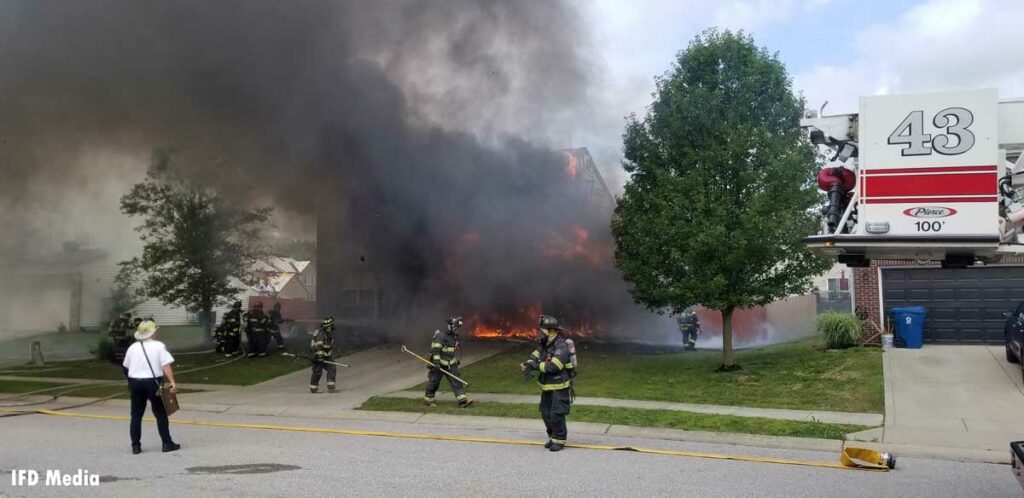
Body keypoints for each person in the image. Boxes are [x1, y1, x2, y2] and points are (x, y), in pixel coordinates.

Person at [122, 320, 180, 455]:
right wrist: (172, 382)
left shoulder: (133, 347)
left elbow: (126, 366)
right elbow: (166, 365)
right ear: (152, 333)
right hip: (153, 383)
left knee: (136, 415)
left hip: (136, 383)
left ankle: (135, 446)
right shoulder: (159, 346)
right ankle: (167, 443)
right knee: (160, 413)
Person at [521, 315, 576, 452]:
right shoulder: (545, 345)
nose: (539, 333)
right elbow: (534, 356)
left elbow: (553, 367)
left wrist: (535, 366)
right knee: (545, 413)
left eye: (542, 330)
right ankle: (553, 438)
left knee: (556, 414)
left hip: (559, 387)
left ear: (552, 331)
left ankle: (560, 440)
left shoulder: (561, 347)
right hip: (547, 387)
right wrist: (527, 365)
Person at [423, 316, 473, 407]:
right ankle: (428, 399)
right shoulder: (441, 335)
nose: (456, 329)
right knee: (434, 381)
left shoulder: (454, 336)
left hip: (451, 363)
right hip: (438, 363)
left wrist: (454, 361)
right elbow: (436, 350)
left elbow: (450, 350)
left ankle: (462, 401)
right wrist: (437, 363)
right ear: (449, 326)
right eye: (455, 327)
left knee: (456, 380)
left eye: (457, 327)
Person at [309, 316, 338, 393]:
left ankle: (331, 387)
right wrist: (320, 356)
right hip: (319, 356)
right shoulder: (321, 334)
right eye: (331, 325)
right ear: (328, 326)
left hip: (326, 356)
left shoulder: (327, 334)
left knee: (332, 367)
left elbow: (328, 345)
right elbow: (319, 345)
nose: (332, 327)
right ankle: (313, 388)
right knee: (317, 371)